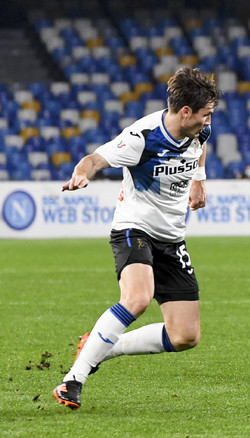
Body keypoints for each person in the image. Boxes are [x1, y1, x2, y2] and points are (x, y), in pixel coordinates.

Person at [53, 67, 220, 410]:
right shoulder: (142, 137)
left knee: (185, 336)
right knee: (138, 298)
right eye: (205, 114)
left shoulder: (199, 130)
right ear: (185, 111)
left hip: (172, 238)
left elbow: (200, 147)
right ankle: (73, 380)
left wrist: (199, 180)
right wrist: (81, 175)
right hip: (134, 228)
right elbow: (94, 159)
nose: (209, 121)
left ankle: (101, 346)